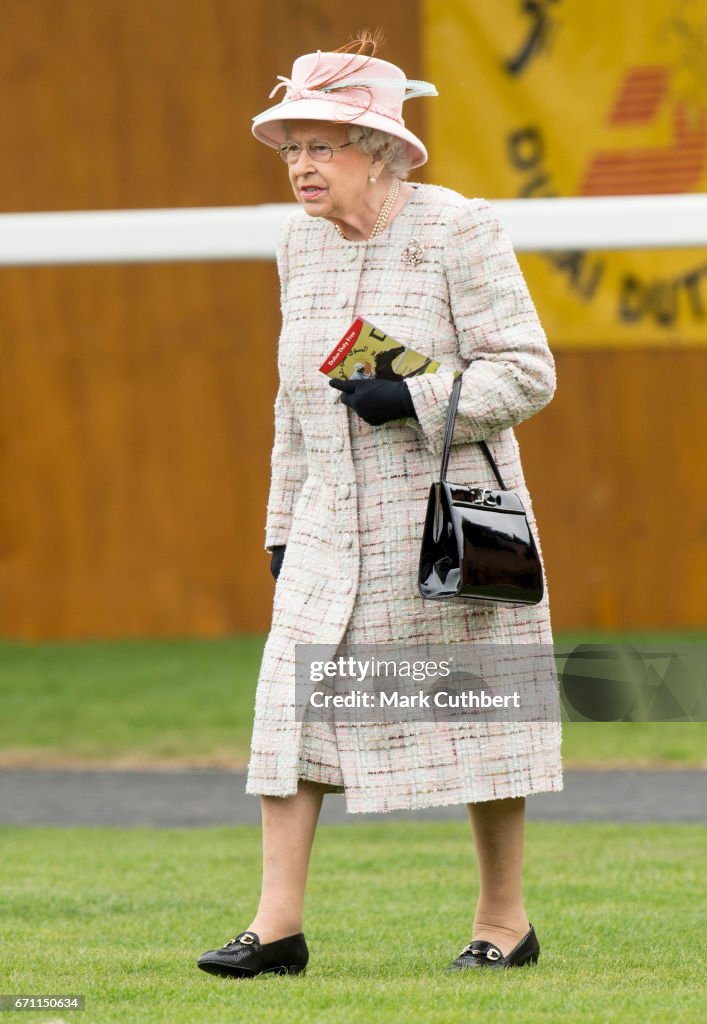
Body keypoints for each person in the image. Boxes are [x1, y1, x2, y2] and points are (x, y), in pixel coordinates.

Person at [196, 34, 562, 980]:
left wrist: (417, 396)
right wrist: (280, 528)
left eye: (324, 147)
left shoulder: (456, 227)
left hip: (446, 524)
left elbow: (527, 373)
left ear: (383, 149)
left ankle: (504, 922)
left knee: (483, 714)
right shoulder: (297, 245)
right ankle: (276, 930)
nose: (303, 168)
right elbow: (288, 404)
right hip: (328, 525)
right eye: (292, 149)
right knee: (291, 707)